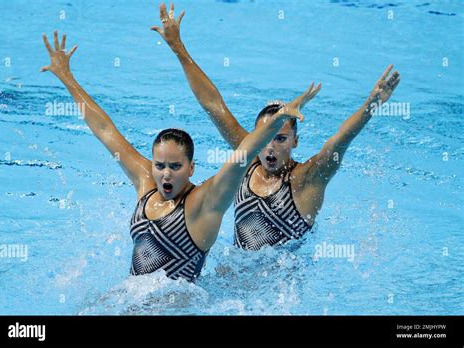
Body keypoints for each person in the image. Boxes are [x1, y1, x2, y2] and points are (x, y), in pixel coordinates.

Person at [40, 31, 321, 281]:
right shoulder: (145, 182)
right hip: (129, 300)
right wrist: (67, 79)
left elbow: (244, 153)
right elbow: (105, 130)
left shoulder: (202, 204)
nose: (165, 173)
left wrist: (279, 118)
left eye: (175, 166)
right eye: (160, 165)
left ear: (191, 169)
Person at [152, 2, 401, 250]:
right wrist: (178, 48)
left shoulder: (307, 179)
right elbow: (213, 104)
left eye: (280, 138)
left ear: (295, 141)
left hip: (282, 285)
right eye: (265, 138)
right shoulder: (247, 161)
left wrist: (371, 104)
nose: (269, 147)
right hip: (235, 275)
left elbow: (340, 140)